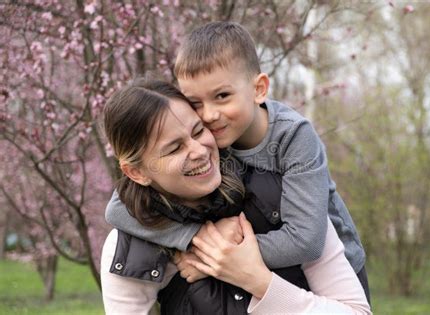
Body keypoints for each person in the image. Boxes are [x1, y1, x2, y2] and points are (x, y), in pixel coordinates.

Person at [105, 21, 370, 301]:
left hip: (335, 271)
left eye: (222, 96)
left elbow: (307, 241)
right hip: (268, 274)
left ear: (259, 89)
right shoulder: (208, 139)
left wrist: (215, 257)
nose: (208, 115)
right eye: (195, 102)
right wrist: (194, 237)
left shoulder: (293, 137)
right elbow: (117, 210)